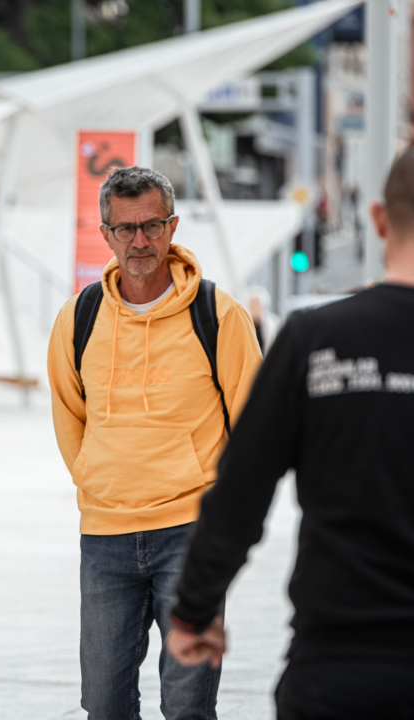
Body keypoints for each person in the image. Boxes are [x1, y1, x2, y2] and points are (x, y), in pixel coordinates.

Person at [167, 147, 414, 717]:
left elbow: (241, 491)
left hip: (339, 664)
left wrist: (194, 612)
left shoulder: (316, 338)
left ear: (379, 220)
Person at [47, 166, 262, 719]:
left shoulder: (219, 314)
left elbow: (255, 423)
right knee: (103, 704)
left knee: (188, 704)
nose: (139, 240)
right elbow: (69, 414)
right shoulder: (78, 317)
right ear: (106, 234)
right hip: (105, 536)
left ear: (172, 226)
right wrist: (96, 478)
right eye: (125, 228)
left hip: (191, 533)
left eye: (152, 225)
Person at [245, 286, 280, 354]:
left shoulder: (272, 325)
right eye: (252, 304)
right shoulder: (245, 324)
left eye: (256, 303)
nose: (254, 307)